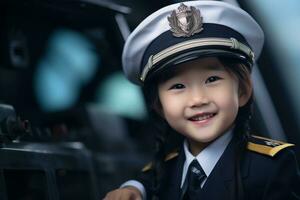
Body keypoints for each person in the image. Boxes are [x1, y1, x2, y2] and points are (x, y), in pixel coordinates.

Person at [104, 1, 300, 199]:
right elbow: (151, 177)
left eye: (212, 79)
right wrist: (133, 188)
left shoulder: (269, 166)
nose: (197, 100)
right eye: (178, 86)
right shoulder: (168, 166)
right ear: (159, 105)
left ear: (242, 90)